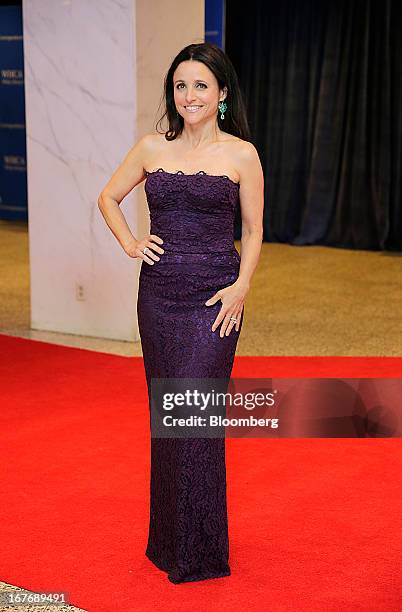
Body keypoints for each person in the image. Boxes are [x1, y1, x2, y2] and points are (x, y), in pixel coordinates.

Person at [98, 42, 264, 584]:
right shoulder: (151, 147)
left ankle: (200, 553)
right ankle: (168, 543)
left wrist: (241, 287)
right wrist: (130, 244)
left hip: (215, 301)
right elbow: (108, 198)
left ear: (221, 94)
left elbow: (255, 231)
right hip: (160, 298)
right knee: (169, 422)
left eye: (199, 85)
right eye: (180, 85)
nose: (188, 95)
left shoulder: (242, 154)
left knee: (195, 421)